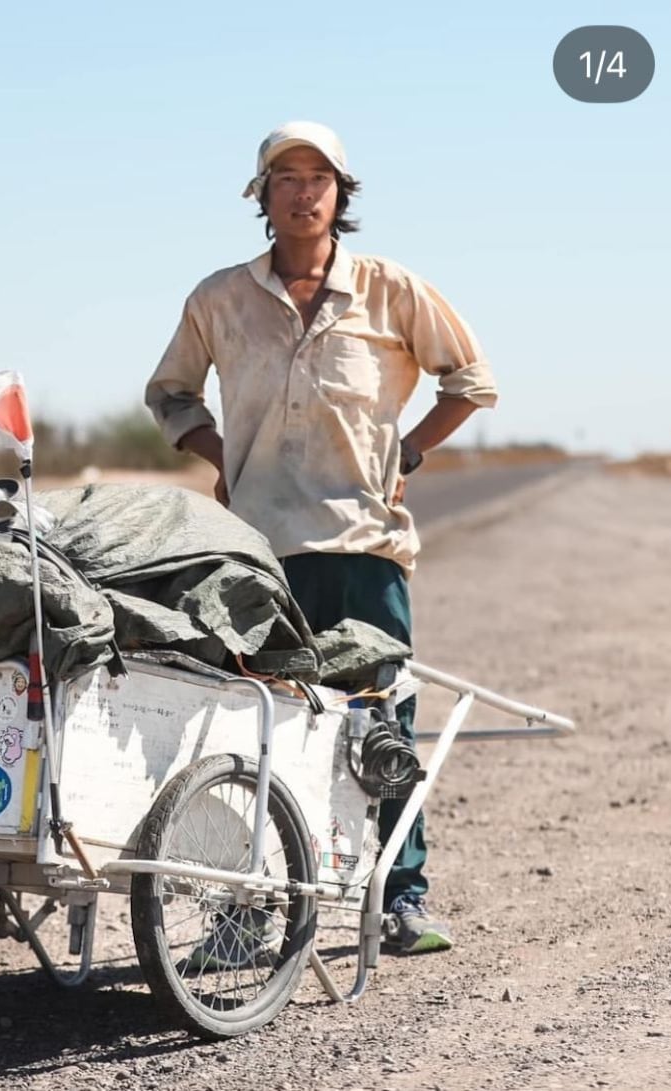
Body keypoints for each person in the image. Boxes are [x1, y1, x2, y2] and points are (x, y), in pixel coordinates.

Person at [145, 120, 497, 955]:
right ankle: (245, 912)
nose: (302, 192)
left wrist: (407, 449)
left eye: (318, 178)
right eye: (285, 178)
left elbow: (472, 380)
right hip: (256, 553)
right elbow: (170, 394)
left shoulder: (389, 289)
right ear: (260, 196)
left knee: (378, 722)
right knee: (248, 728)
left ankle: (401, 898)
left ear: (341, 195)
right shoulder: (219, 299)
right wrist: (219, 455)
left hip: (362, 545)